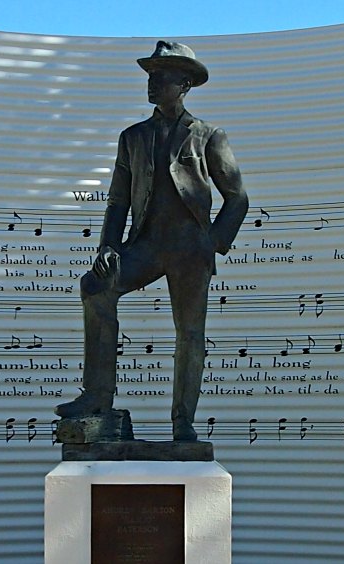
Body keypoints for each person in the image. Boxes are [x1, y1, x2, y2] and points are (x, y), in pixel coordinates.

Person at [55, 41, 248, 441]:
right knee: (95, 289)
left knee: (189, 333)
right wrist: (108, 247)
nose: (152, 83)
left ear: (185, 84)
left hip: (190, 248)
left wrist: (212, 243)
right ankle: (96, 397)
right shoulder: (133, 137)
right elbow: (118, 200)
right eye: (150, 76)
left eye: (161, 77)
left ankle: (183, 422)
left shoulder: (209, 136)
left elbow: (238, 198)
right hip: (145, 244)